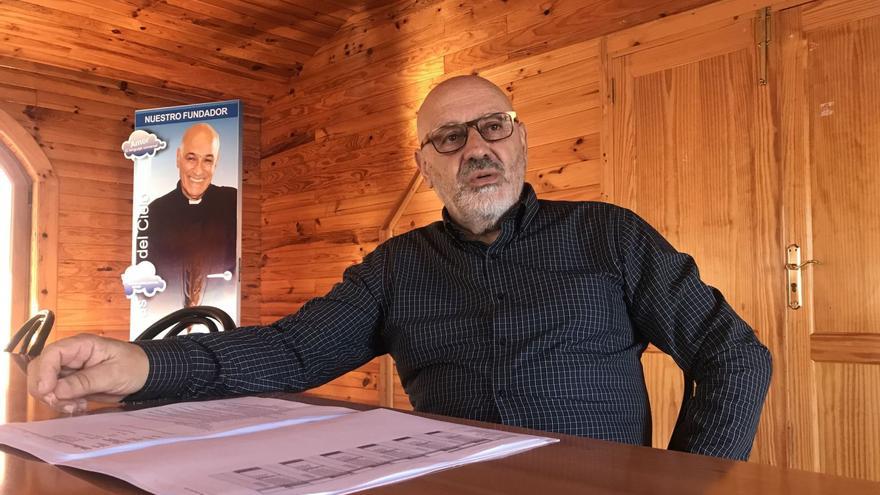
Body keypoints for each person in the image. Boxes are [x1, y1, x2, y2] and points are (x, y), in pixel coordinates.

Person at [28, 76, 771, 461]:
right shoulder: (395, 269)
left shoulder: (609, 235)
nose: (476, 147)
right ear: (424, 166)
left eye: (493, 127)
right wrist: (138, 365)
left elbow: (733, 351)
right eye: (448, 138)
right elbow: (289, 349)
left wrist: (689, 477)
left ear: (520, 142)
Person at [143, 122, 237, 309]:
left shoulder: (232, 203)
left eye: (208, 160)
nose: (199, 170)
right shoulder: (153, 213)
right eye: (191, 158)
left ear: (216, 163)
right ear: (178, 158)